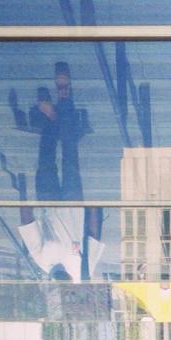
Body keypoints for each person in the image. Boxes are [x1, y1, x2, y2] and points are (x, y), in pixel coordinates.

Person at [16, 62, 104, 282]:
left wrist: (22, 195)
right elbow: (93, 236)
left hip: (48, 201)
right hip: (73, 203)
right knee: (69, 157)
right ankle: (63, 96)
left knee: (45, 160)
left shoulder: (43, 261)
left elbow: (28, 225)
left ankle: (52, 118)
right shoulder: (82, 269)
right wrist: (93, 209)